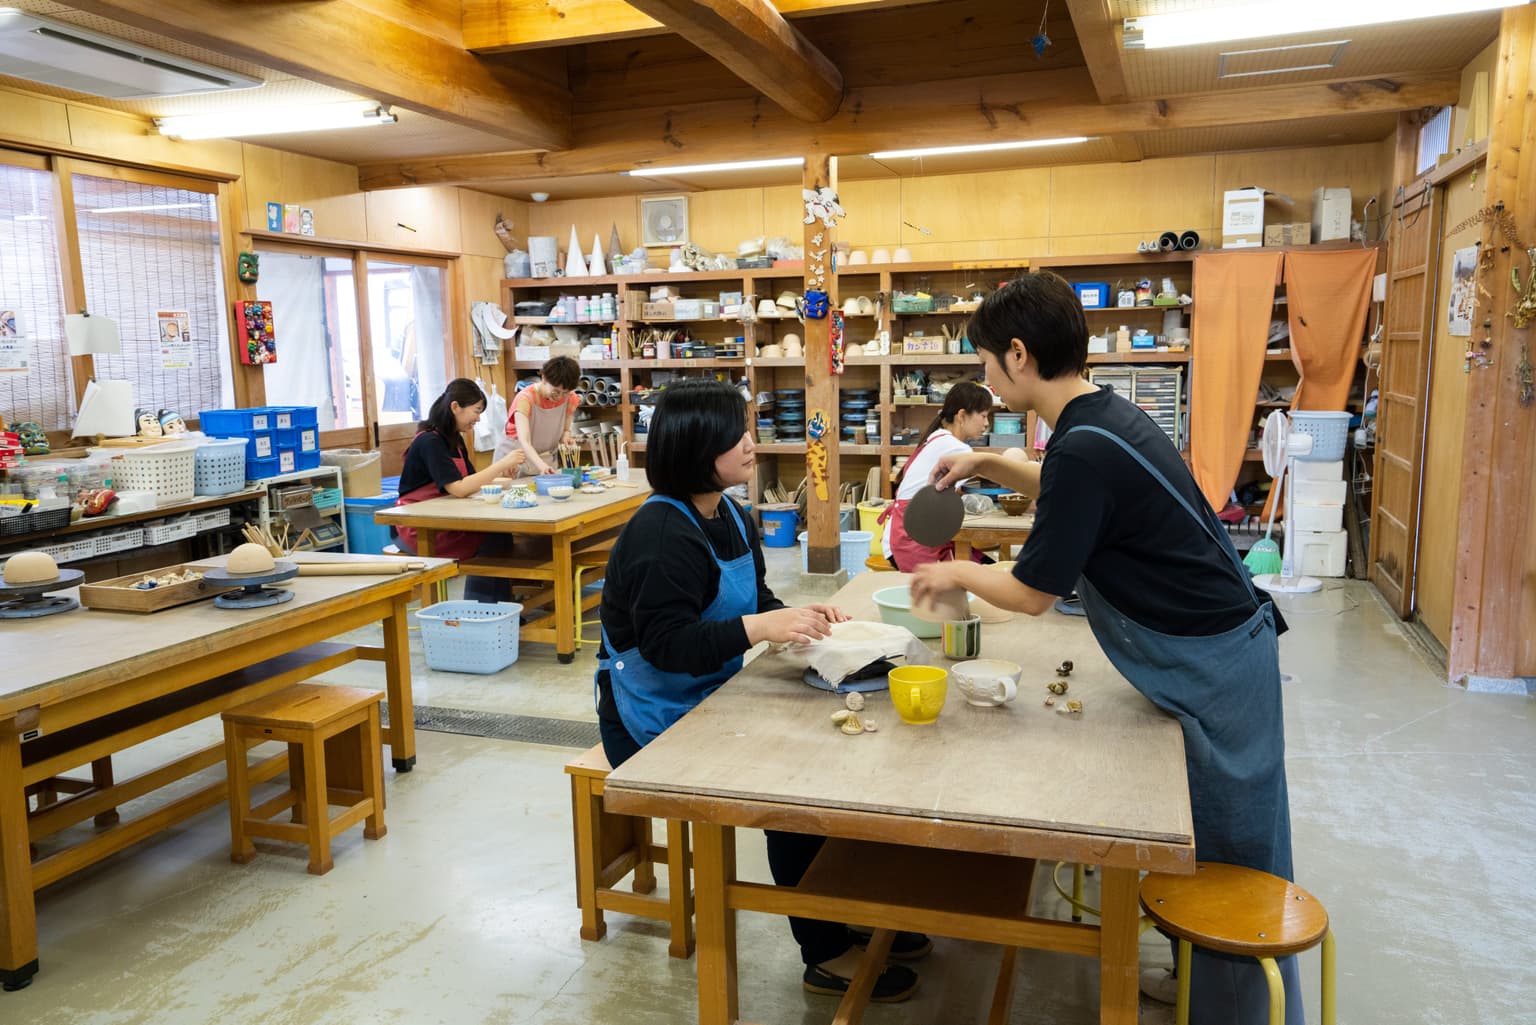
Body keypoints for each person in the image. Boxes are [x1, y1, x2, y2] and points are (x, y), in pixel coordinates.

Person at [908, 272, 1301, 1025]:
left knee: (1231, 862)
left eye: (987, 361)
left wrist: (953, 570)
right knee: (1202, 846)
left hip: (1216, 666)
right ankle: (1198, 980)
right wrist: (985, 462)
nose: (985, 379)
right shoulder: (1097, 417)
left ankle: (1238, 1012)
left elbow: (1032, 592)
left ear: (1018, 354)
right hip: (1216, 650)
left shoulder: (1084, 446)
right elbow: (1065, 483)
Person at [594, 378, 928, 1003]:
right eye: (735, 435)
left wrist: (796, 618)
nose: (751, 444)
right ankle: (825, 953)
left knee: (842, 758)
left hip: (711, 690)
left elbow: (756, 599)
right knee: (791, 791)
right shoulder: (661, 535)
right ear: (697, 447)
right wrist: (760, 629)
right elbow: (666, 645)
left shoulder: (731, 515)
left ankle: (845, 907)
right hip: (650, 713)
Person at [393, 378, 526, 602]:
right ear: (455, 407)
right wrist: (501, 464)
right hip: (420, 526)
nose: (479, 418)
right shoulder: (429, 441)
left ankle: (501, 609)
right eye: (476, 411)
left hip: (445, 516)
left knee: (500, 535)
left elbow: (471, 483)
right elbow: (459, 488)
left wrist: (502, 476)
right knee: (491, 539)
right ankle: (481, 610)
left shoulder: (455, 439)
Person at [878, 381, 994, 570]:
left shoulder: (938, 437)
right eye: (983, 416)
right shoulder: (956, 448)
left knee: (985, 570)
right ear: (961, 416)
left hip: (912, 530)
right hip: (911, 537)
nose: (987, 423)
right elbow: (992, 472)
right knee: (981, 575)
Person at [495, 356, 580, 475]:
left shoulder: (571, 398)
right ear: (544, 378)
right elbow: (525, 441)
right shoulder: (525, 399)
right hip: (513, 460)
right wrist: (542, 466)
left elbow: (565, 430)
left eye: (565, 392)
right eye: (556, 391)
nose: (560, 397)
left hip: (544, 459)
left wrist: (566, 438)